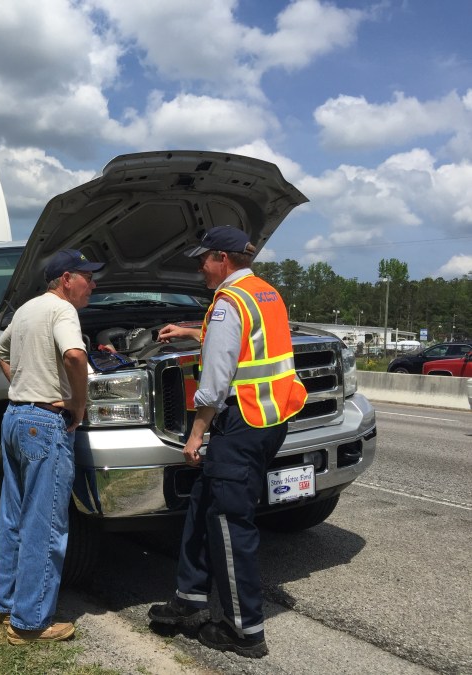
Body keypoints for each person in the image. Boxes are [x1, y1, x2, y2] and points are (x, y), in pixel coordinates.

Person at [148, 226, 307, 658]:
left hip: (240, 425)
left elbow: (215, 382)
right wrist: (188, 331)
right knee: (203, 504)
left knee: (230, 524)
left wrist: (196, 435)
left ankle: (245, 631)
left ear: (223, 258)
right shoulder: (263, 292)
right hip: (271, 419)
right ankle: (189, 600)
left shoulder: (227, 303)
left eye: (204, 258)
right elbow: (244, 345)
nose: (200, 265)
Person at [0, 248, 104, 645]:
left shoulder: (26, 309)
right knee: (46, 524)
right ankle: (30, 623)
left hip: (15, 418)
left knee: (13, 517)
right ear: (65, 279)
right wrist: (78, 402)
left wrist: (22, 382)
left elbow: (0, 350)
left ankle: (6, 603)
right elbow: (75, 355)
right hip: (45, 424)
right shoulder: (63, 311)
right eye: (87, 276)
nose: (93, 283)